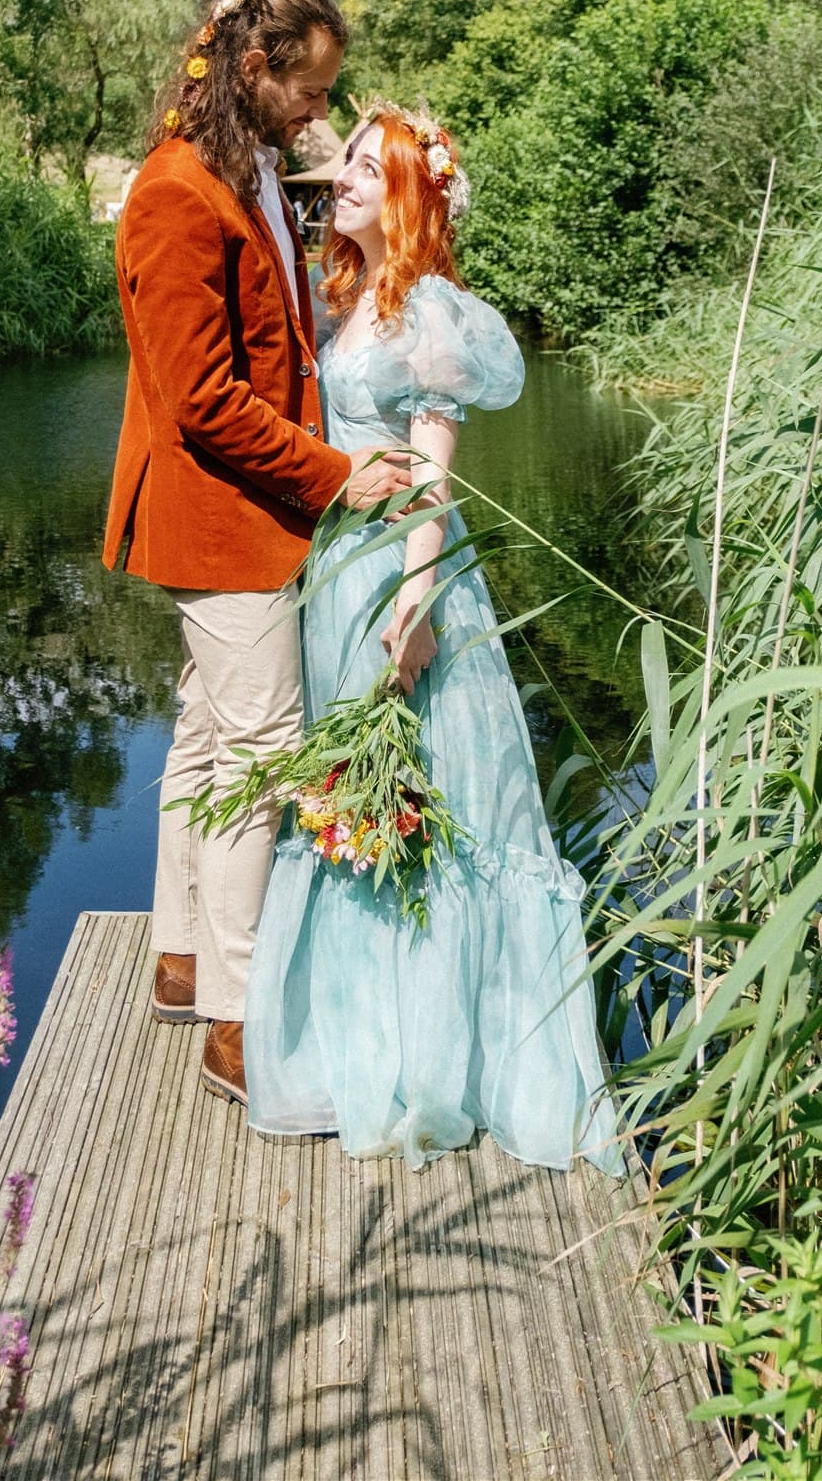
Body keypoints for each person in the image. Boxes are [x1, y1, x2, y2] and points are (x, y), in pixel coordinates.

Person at [244, 99, 623, 1174]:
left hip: (402, 580)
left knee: (435, 800)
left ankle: (449, 1054)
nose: (347, 174)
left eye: (369, 164)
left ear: (411, 192)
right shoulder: (347, 300)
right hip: (337, 573)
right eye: (347, 158)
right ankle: (368, 1029)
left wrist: (412, 610)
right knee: (359, 798)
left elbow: (432, 481)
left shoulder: (432, 314)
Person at [103, 0, 411, 1107]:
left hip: (239, 511)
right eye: (309, 90)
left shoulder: (247, 175)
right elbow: (205, 401)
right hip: (221, 520)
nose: (319, 112)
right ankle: (238, 1022)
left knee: (202, 738)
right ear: (253, 71)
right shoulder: (176, 191)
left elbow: (277, 332)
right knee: (263, 760)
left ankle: (181, 959)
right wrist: (338, 478)